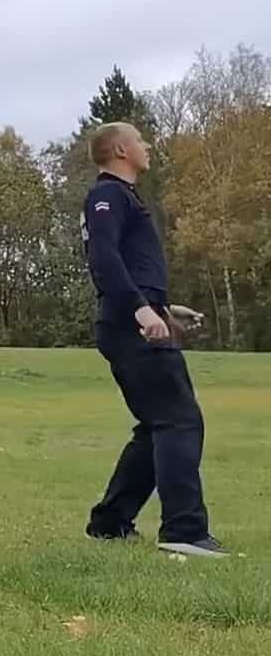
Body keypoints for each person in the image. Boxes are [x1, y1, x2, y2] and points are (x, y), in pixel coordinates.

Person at [80, 122, 226, 557]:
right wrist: (141, 310)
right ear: (121, 150)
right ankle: (184, 529)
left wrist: (163, 307)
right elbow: (103, 260)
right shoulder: (107, 195)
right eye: (141, 140)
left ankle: (110, 522)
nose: (147, 146)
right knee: (179, 420)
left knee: (156, 426)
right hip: (130, 325)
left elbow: (130, 265)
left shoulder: (122, 197)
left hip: (136, 319)